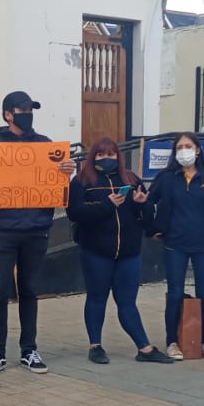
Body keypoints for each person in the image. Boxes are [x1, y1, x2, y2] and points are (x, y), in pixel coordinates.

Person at [0, 91, 76, 376]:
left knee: (29, 290)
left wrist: (66, 172)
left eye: (31, 109)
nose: (28, 113)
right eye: (22, 109)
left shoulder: (45, 145)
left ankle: (29, 350)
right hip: (2, 230)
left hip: (36, 230)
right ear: (7, 114)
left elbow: (58, 187)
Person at [67, 138, 172, 365]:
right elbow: (75, 213)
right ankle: (95, 346)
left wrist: (142, 203)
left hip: (129, 253)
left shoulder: (132, 179)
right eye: (101, 155)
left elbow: (146, 221)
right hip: (96, 252)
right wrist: (107, 205)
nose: (107, 159)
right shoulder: (81, 181)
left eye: (111, 155)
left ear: (118, 157)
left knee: (127, 301)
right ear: (93, 157)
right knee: (97, 298)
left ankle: (144, 348)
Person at [147, 133, 204, 362]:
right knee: (176, 293)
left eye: (188, 146)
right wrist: (155, 228)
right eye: (179, 147)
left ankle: (203, 340)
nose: (184, 151)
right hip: (175, 245)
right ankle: (172, 341)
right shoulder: (167, 177)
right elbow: (149, 201)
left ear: (198, 150)